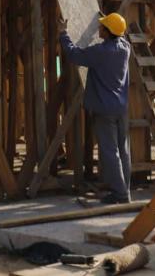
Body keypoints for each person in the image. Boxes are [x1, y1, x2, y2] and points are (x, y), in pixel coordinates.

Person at [57, 12, 132, 204]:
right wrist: (111, 21)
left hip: (104, 109)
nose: (98, 28)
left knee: (110, 151)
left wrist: (63, 33)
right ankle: (124, 189)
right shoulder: (125, 48)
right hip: (120, 108)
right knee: (123, 150)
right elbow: (119, 34)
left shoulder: (101, 52)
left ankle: (120, 194)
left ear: (107, 32)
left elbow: (74, 54)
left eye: (102, 27)